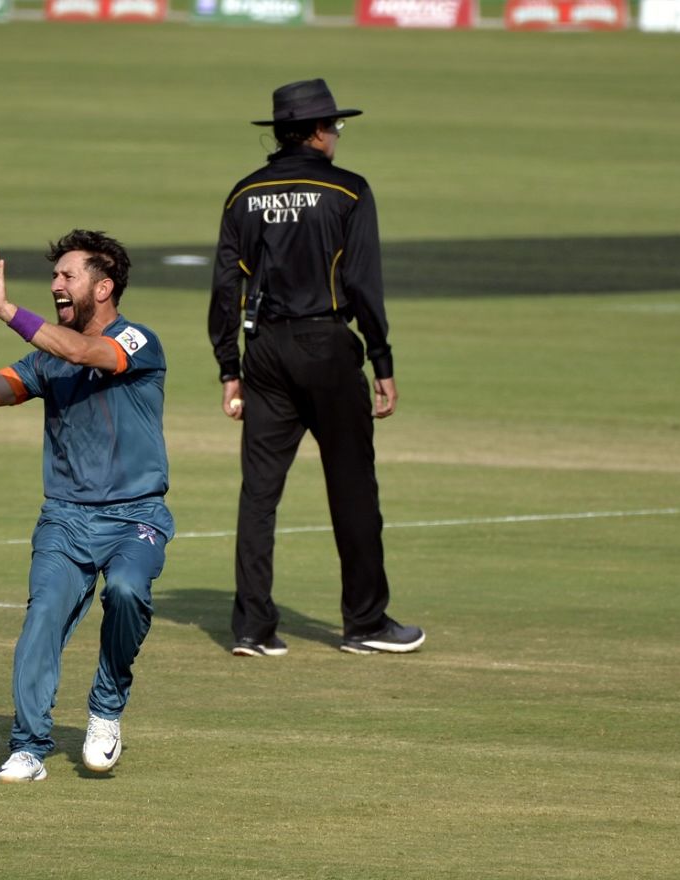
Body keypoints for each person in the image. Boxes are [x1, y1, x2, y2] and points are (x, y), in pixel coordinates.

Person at [0, 231, 174, 783]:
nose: (56, 284)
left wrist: (6, 311)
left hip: (136, 516)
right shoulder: (44, 362)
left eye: (67, 276)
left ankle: (106, 707)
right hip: (66, 519)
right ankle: (29, 746)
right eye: (54, 276)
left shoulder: (137, 341)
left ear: (103, 287)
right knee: (41, 623)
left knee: (125, 592)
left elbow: (82, 351)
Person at [208, 79, 424, 658]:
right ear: (316, 131)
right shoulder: (349, 192)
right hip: (327, 347)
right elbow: (361, 284)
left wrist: (229, 366)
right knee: (352, 487)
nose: (337, 134)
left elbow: (227, 287)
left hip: (266, 353)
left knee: (259, 494)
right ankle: (366, 623)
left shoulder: (243, 194)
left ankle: (253, 628)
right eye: (334, 126)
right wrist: (382, 359)